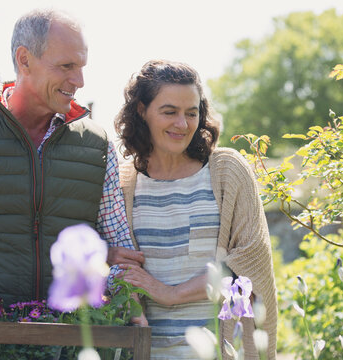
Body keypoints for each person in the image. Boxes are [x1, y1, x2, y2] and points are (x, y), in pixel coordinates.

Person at [0, 9, 144, 317]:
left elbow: (119, 253)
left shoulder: (97, 146)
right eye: (66, 66)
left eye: (81, 67)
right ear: (24, 60)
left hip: (72, 339)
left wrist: (123, 303)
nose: (79, 80)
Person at [110, 60, 277, 359]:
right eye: (169, 112)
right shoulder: (123, 183)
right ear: (141, 111)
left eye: (192, 113)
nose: (183, 124)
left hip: (222, 350)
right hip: (147, 352)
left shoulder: (226, 171)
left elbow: (249, 266)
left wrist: (170, 293)